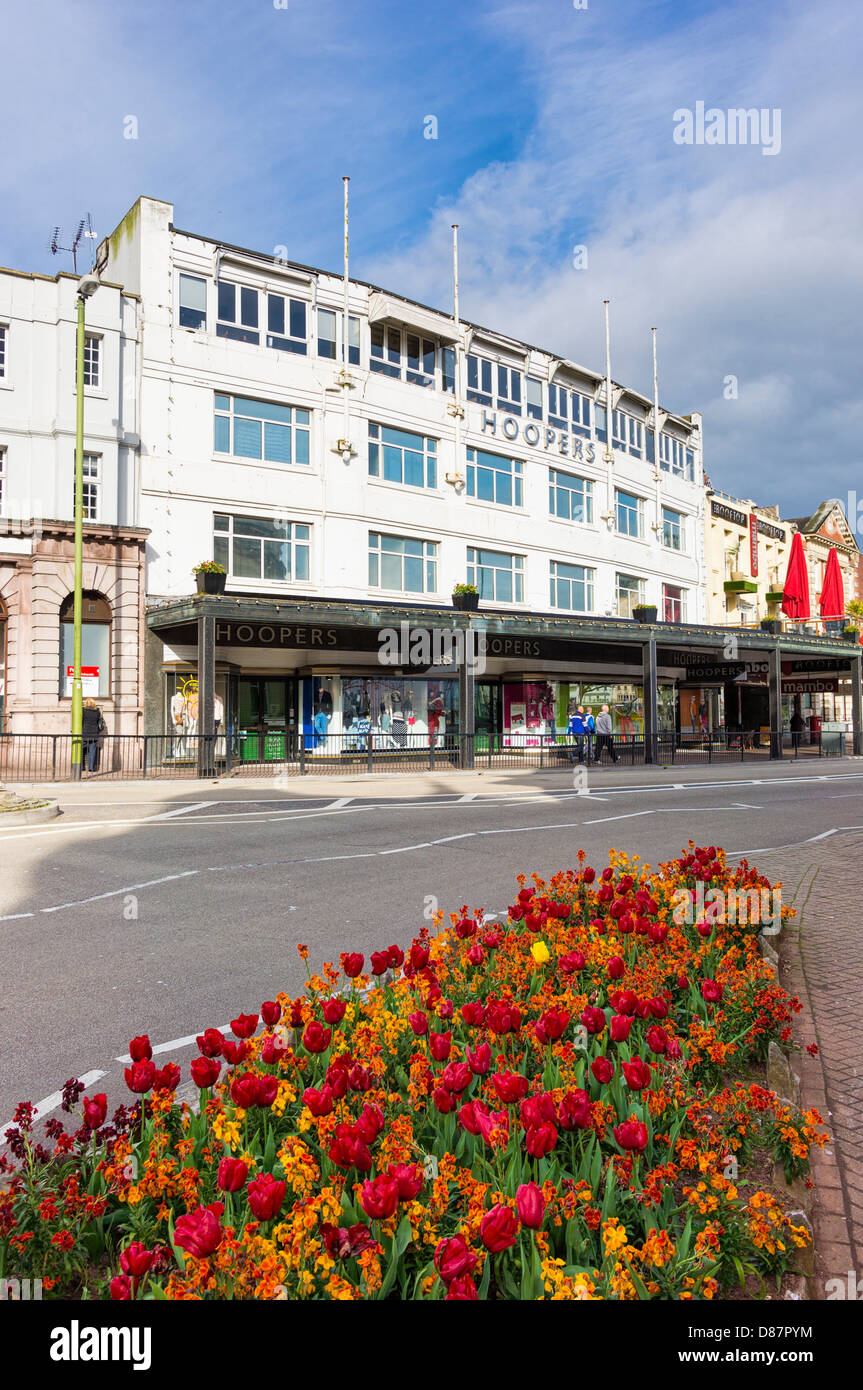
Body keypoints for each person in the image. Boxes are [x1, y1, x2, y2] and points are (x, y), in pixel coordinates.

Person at [81, 698, 103, 773]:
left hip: (84, 733)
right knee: (92, 751)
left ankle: (81, 767)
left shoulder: (83, 711)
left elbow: (81, 721)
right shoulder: (97, 711)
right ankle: (91, 768)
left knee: (80, 750)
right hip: (94, 733)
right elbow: (99, 722)